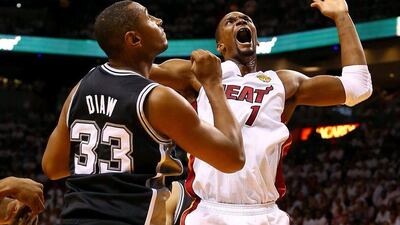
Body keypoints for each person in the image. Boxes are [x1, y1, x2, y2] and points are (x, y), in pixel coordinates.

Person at [149, 0, 373, 224]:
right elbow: (137, 71)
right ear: (220, 46)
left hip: (264, 213)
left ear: (255, 38)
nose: (240, 21)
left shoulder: (282, 82)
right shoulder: (201, 73)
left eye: (246, 20)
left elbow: (358, 87)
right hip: (209, 211)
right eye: (230, 21)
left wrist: (342, 16)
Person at [41, 1, 244, 225]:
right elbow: (232, 159)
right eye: (149, 17)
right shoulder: (157, 98)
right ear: (134, 39)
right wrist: (213, 85)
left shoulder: (81, 87)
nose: (159, 21)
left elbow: (53, 166)